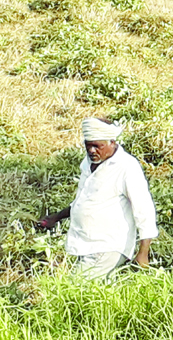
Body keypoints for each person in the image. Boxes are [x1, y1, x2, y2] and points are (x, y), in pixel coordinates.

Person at [37, 118, 158, 281]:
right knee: (93, 295)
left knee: (74, 289)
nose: (92, 150)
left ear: (112, 142)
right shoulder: (88, 164)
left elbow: (144, 210)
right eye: (88, 145)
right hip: (86, 243)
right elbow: (84, 201)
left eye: (97, 146)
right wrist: (56, 217)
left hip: (107, 245)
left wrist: (143, 253)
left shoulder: (126, 167)